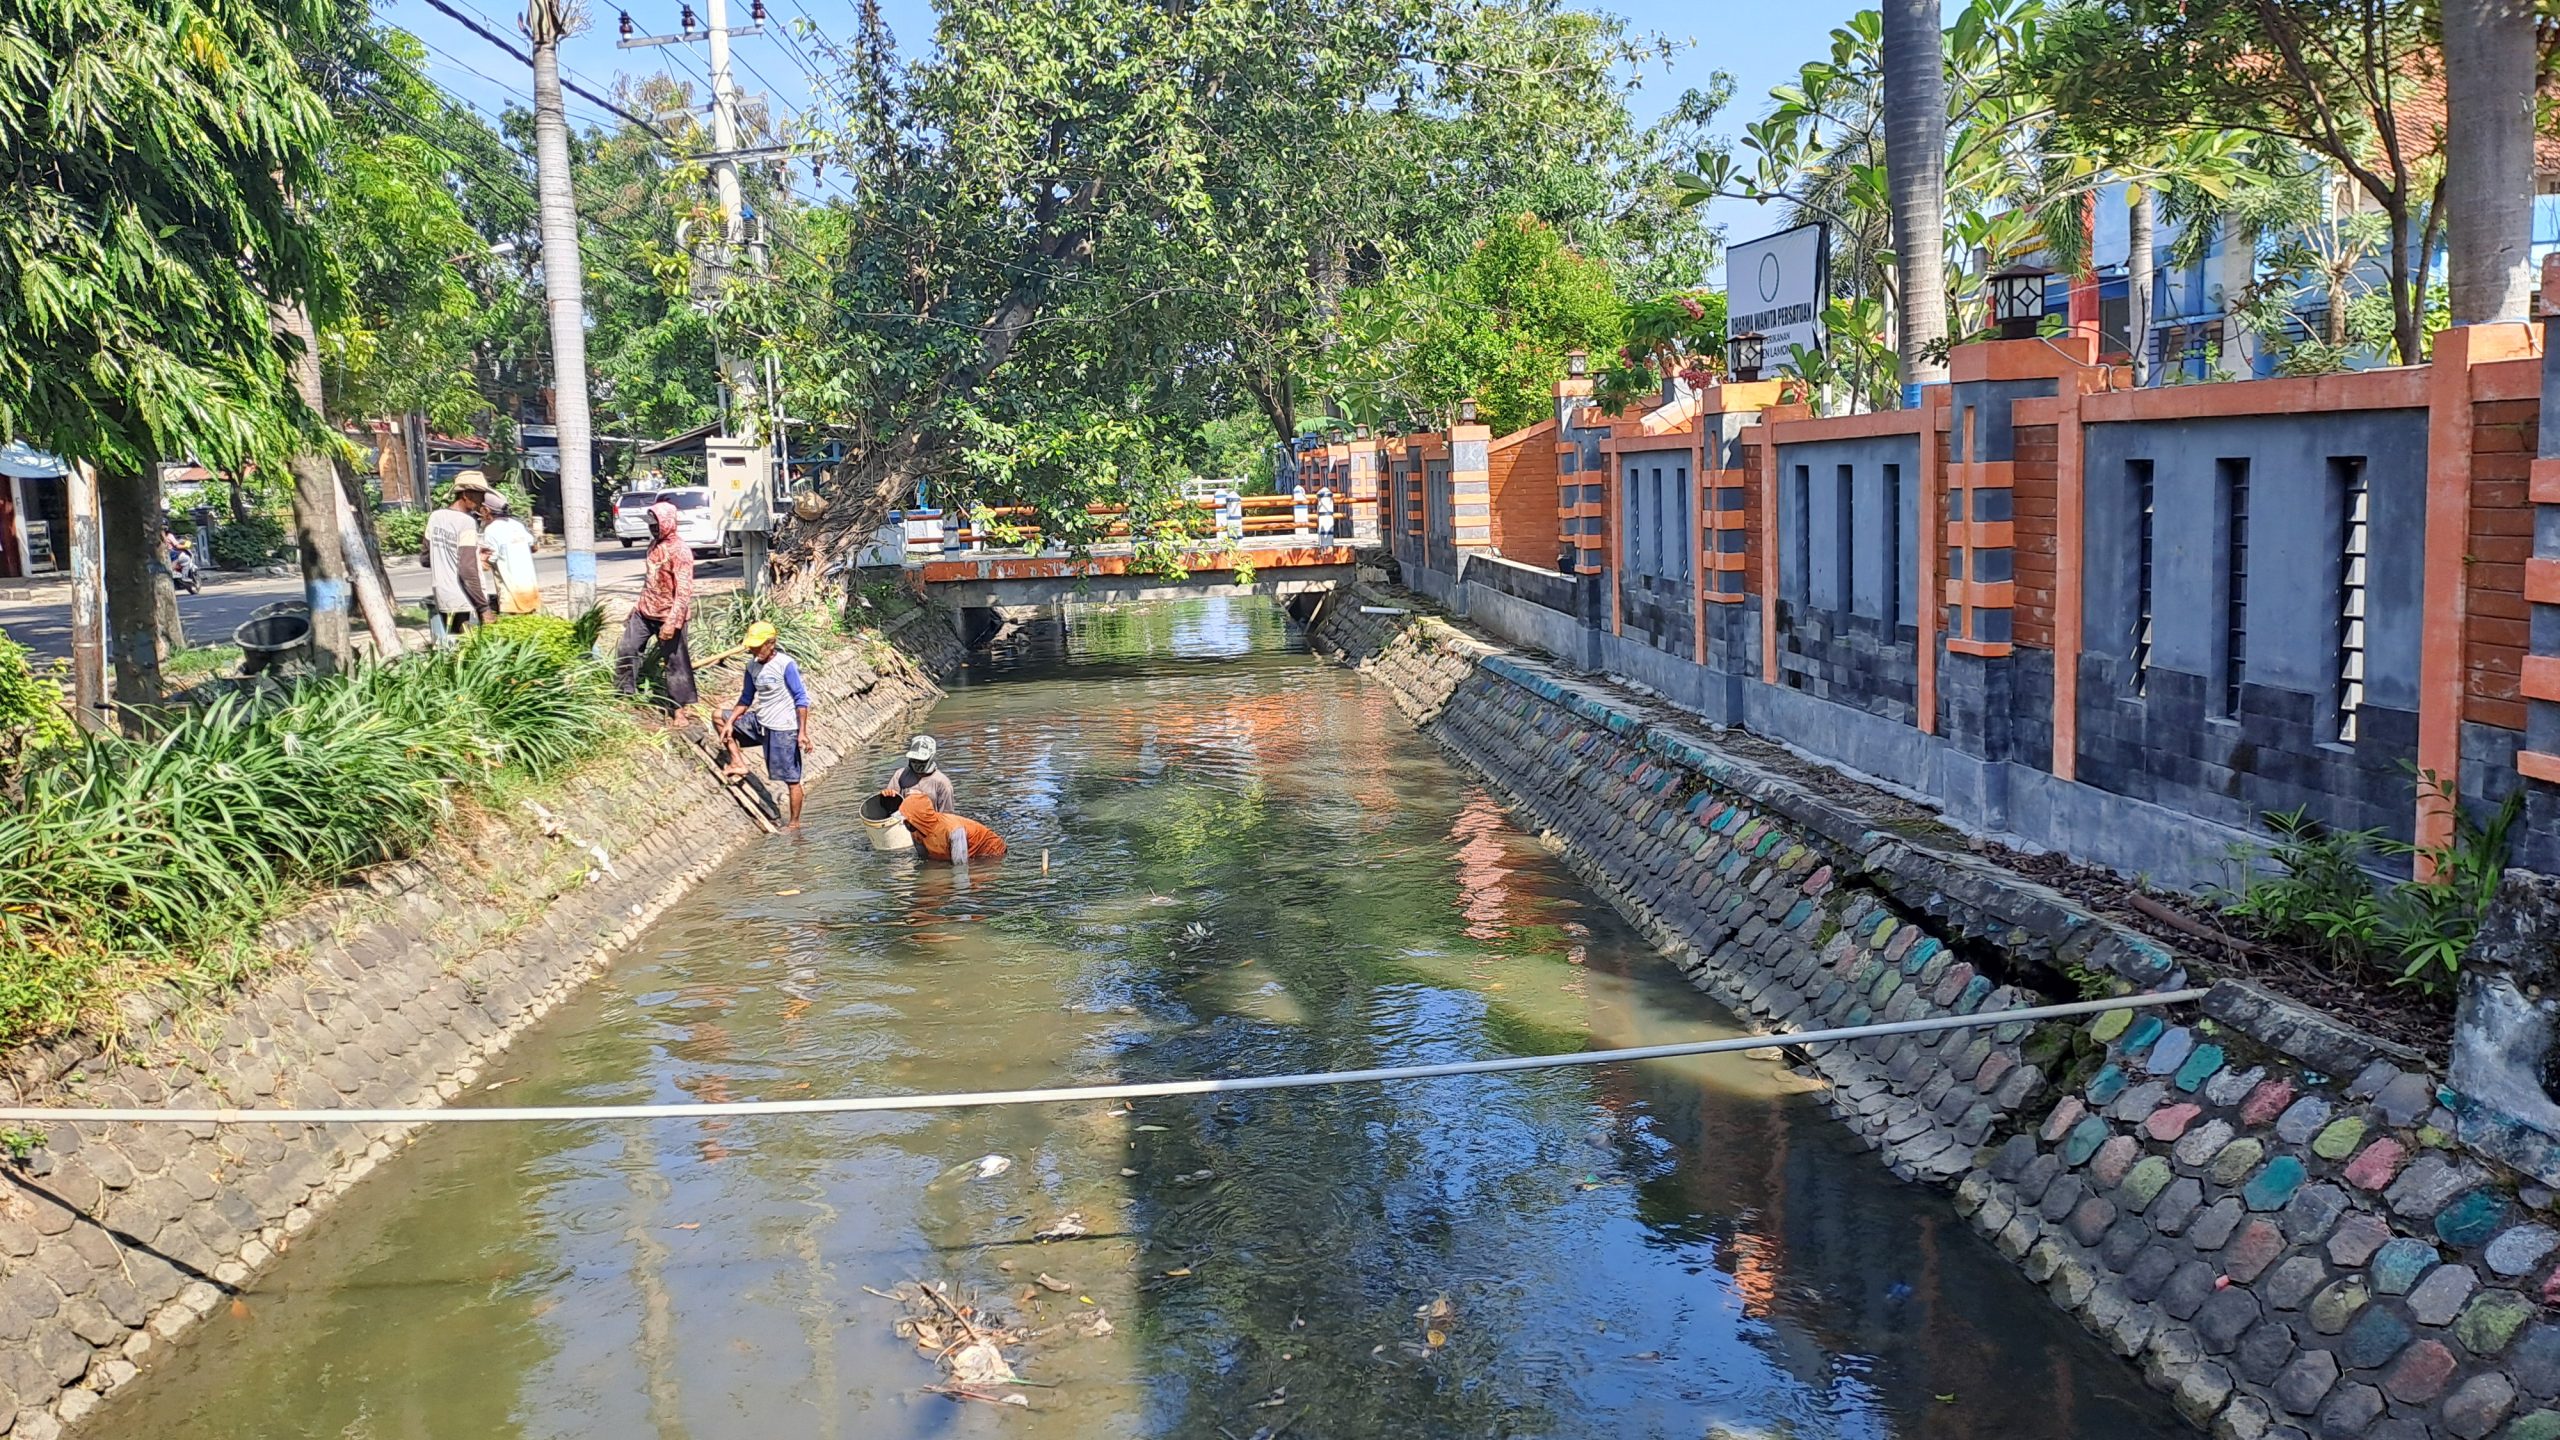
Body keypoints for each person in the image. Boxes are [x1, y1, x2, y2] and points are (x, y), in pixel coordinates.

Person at [720, 620, 814, 826]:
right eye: (752, 646)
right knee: (719, 717)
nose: (754, 650)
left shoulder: (785, 665)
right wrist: (731, 722)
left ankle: (795, 822)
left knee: (792, 780)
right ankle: (737, 762)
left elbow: (801, 699)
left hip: (783, 730)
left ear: (771, 643)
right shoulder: (751, 666)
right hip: (760, 722)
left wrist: (802, 733)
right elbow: (746, 698)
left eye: (758, 645)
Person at [614, 499, 698, 713]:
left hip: (669, 616)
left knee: (675, 663)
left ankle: (679, 709)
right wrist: (636, 607)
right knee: (627, 648)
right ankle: (624, 695)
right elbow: (650, 580)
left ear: (668, 523)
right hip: (645, 612)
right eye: (651, 525)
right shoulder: (653, 546)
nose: (653, 529)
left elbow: (683, 591)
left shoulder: (680, 551)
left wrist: (671, 622)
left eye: (656, 525)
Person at [423, 473, 493, 646]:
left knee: (453, 644)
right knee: (470, 649)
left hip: (442, 593)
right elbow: (467, 570)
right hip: (463, 597)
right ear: (466, 495)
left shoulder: (435, 517)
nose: (481, 501)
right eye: (479, 496)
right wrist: (483, 608)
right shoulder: (466, 523)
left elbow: (425, 558)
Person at [898, 789, 1007, 863]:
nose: (905, 823)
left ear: (919, 818)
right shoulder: (916, 831)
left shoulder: (953, 829)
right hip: (965, 856)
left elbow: (960, 867)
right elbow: (925, 860)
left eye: (908, 819)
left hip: (992, 853)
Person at [479, 492, 541, 616]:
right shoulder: (517, 525)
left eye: (480, 510)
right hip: (531, 592)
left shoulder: (491, 530)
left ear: (486, 510)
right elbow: (534, 547)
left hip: (511, 596)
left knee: (512, 628)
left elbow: (486, 564)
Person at [880, 734, 954, 812]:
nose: (917, 764)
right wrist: (887, 796)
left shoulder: (943, 784)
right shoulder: (900, 775)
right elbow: (889, 809)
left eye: (921, 761)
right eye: (913, 760)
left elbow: (947, 817)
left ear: (931, 758)